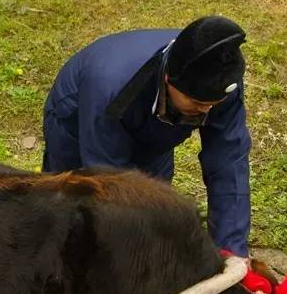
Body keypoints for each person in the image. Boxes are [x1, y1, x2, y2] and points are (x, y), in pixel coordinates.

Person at [42, 15, 252, 257]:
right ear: (168, 79)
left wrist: (230, 250)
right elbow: (107, 178)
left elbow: (228, 164)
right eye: (197, 102)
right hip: (81, 117)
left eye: (213, 104)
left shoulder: (221, 78)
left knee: (153, 204)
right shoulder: (109, 87)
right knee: (74, 204)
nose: (206, 111)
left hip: (154, 128)